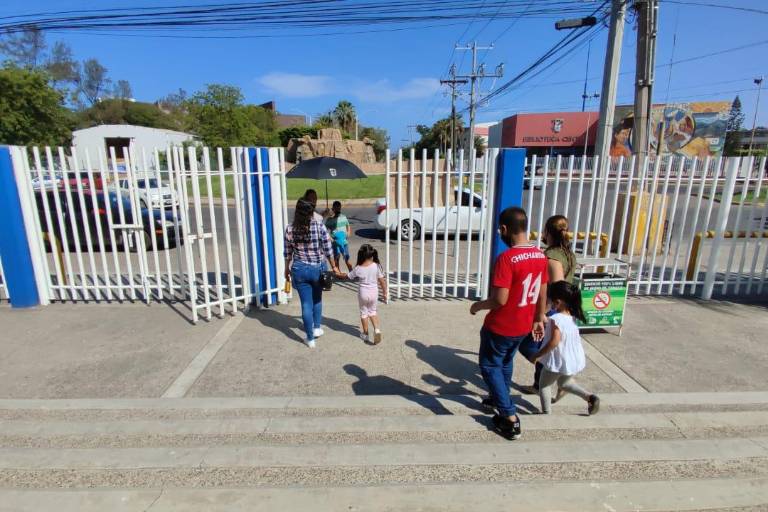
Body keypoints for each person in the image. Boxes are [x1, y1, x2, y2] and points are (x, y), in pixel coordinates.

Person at [470, 207, 548, 440]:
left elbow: (500, 299)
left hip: (501, 326)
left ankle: (509, 417)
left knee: (490, 366)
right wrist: (538, 318)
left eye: (499, 231)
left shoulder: (506, 258)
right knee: (505, 362)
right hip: (524, 324)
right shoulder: (540, 255)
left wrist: (477, 306)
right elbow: (543, 291)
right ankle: (498, 396)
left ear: (504, 229)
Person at [519, 214, 578, 395]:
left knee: (528, 345)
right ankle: (541, 383)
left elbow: (557, 287)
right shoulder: (568, 253)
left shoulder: (552, 256)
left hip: (554, 309)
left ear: (547, 232)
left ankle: (562, 379)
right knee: (544, 346)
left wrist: (542, 313)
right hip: (564, 308)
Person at [529, 281, 600, 415]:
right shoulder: (572, 316)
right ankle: (590, 397)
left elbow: (554, 341)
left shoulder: (556, 318)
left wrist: (538, 355)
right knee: (565, 383)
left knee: (543, 385)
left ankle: (546, 412)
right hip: (572, 359)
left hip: (558, 360)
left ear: (558, 302)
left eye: (550, 301)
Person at [284, 199, 341, 348]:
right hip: (318, 268)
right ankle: (316, 328)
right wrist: (334, 266)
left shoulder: (289, 229)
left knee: (306, 304)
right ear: (311, 212)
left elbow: (288, 252)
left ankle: (310, 339)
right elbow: (328, 249)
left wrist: (286, 268)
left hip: (299, 269)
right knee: (317, 299)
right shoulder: (319, 226)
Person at [343, 244, 387, 344]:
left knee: (364, 313)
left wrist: (339, 273)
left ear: (361, 256)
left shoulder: (358, 268)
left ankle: (365, 334)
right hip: (374, 293)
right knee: (373, 312)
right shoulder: (376, 266)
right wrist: (385, 293)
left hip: (363, 293)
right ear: (372, 255)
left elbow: (349, 276)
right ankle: (377, 330)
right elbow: (382, 281)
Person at [325, 200, 353, 272]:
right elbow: (325, 230)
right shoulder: (329, 220)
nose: (338, 210)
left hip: (344, 242)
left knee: (347, 257)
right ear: (333, 209)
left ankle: (351, 272)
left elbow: (348, 225)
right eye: (336, 208)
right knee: (336, 257)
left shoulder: (343, 217)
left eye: (339, 208)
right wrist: (330, 238)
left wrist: (348, 232)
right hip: (335, 243)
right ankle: (338, 273)